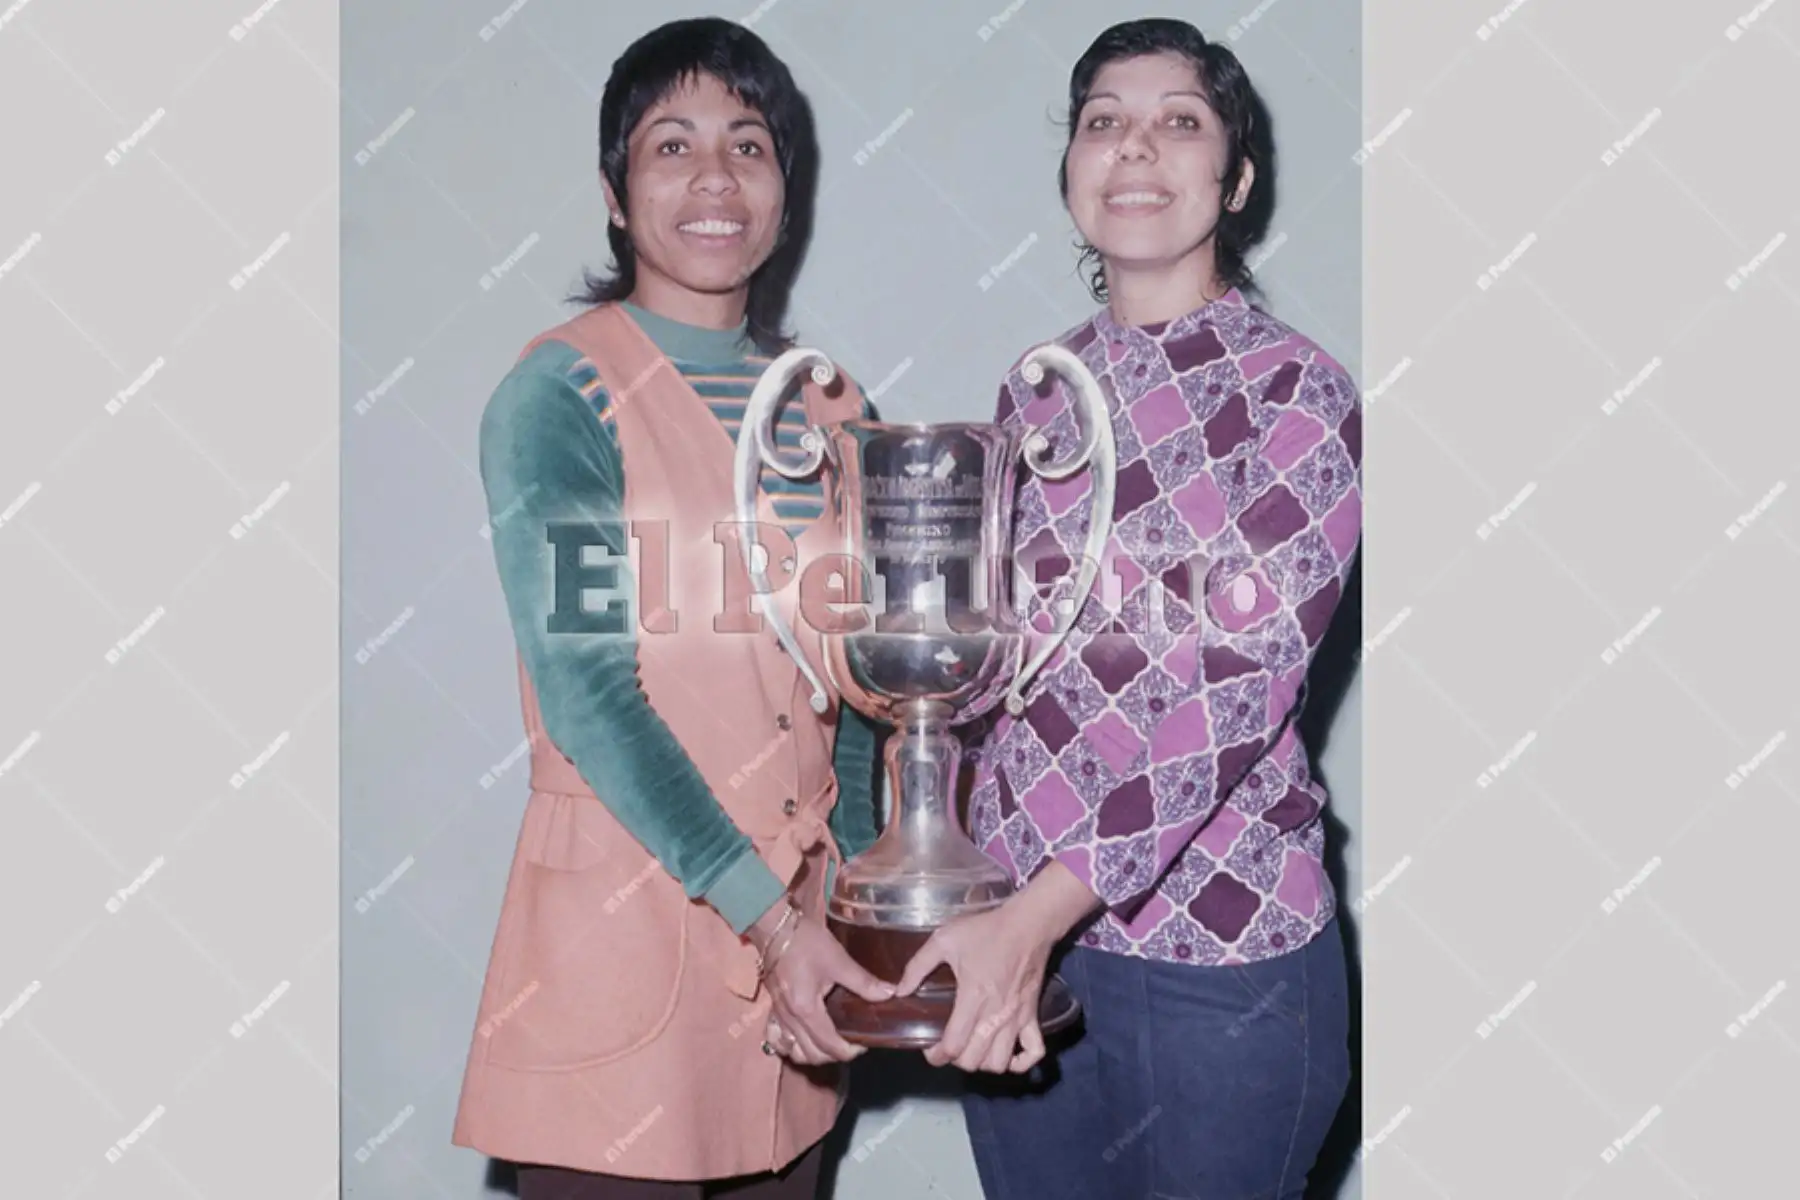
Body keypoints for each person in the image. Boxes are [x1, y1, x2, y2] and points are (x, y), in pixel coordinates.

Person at [892, 19, 1360, 1200]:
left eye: (1179, 121)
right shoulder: (1034, 393)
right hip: (1028, 947)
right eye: (1104, 121)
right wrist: (937, 858)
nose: (1136, 147)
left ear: (1237, 180)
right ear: (1070, 174)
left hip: (1223, 955)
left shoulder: (1299, 393)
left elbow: (1229, 695)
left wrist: (1030, 919)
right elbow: (990, 674)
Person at [451, 17, 893, 1199]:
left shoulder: (832, 410)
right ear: (614, 189)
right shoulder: (561, 393)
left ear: (783, 195)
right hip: (620, 949)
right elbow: (591, 698)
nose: (714, 179)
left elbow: (858, 697)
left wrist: (840, 912)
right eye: (672, 146)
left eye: (748, 146)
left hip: (794, 994)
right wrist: (779, 929)